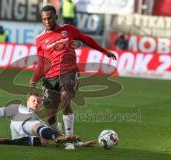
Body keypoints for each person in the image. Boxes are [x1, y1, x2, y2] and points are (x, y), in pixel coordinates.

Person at [29, 5, 117, 150]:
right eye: (44, 19)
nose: (47, 21)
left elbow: (87, 39)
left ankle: (70, 141)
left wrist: (104, 51)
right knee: (50, 116)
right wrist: (34, 78)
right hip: (50, 77)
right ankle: (61, 137)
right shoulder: (40, 39)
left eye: (50, 18)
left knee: (65, 99)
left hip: (69, 72)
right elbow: (42, 63)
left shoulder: (68, 29)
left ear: (56, 17)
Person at [0, 93, 80, 146]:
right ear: (27, 102)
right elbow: (2, 111)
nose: (36, 103)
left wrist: (80, 144)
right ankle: (55, 137)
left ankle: (8, 142)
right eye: (33, 100)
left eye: (38, 101)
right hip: (21, 124)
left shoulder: (40, 120)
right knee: (38, 128)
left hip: (22, 137)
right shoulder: (18, 108)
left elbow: (61, 137)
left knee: (45, 141)